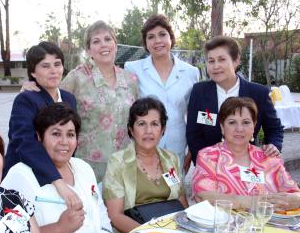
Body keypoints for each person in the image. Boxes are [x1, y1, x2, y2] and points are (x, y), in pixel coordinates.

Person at [1, 103, 119, 233]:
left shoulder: (83, 168)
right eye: (56, 134)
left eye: (70, 135)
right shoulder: (20, 175)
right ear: (39, 137)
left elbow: (100, 211)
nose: (64, 142)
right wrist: (60, 227)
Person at [3, 41, 81, 208]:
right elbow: (25, 143)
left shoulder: (69, 98)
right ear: (33, 71)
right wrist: (59, 182)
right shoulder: (26, 99)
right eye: (45, 66)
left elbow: (70, 136)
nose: (53, 70)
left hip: (59, 173)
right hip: (28, 175)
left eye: (57, 64)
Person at [60, 20, 139, 181]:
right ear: (89, 50)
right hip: (89, 167)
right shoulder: (78, 77)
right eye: (96, 41)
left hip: (124, 162)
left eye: (108, 39)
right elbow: (51, 103)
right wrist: (30, 86)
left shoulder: (130, 80)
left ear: (115, 45)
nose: (103, 45)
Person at [186, 36, 283, 165]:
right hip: (210, 167)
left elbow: (274, 129)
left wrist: (273, 145)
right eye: (211, 61)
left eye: (222, 59)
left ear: (236, 60)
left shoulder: (258, 93)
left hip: (246, 167)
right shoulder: (199, 91)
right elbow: (193, 133)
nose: (216, 66)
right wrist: (205, 162)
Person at [192, 97, 300, 210]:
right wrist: (251, 202)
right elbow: (203, 196)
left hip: (267, 225)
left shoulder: (268, 158)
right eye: (232, 122)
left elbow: (295, 194)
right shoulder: (208, 156)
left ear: (254, 126)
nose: (239, 129)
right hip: (224, 225)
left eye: (246, 122)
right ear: (222, 127)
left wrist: (293, 200)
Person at [124, 14, 200, 174]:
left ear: (171, 38)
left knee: (174, 191)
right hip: (144, 142)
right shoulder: (132, 68)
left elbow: (193, 114)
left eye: (162, 34)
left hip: (177, 144)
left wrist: (191, 150)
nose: (157, 41)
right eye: (151, 37)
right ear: (145, 43)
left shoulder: (191, 72)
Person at [103, 97, 188, 233]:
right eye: (141, 124)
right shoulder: (118, 162)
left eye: (155, 124)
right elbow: (115, 216)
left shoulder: (172, 159)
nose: (148, 130)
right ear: (131, 129)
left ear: (163, 130)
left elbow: (182, 205)